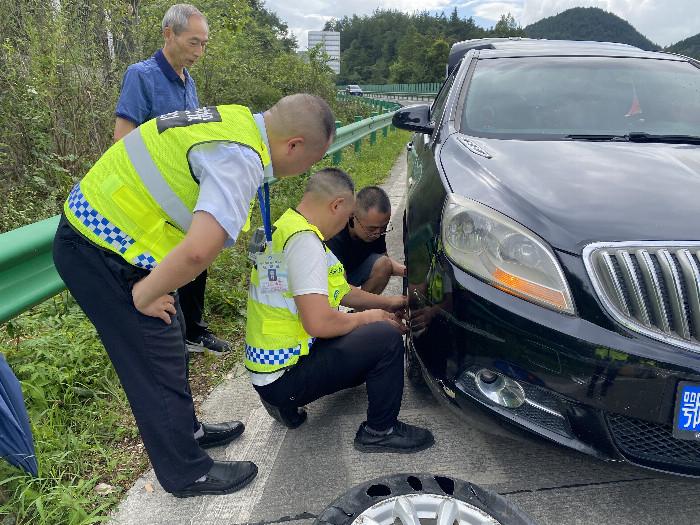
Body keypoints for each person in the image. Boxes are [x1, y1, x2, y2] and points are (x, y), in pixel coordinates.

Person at [53, 94, 336, 496]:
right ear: (294, 145)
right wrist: (145, 294)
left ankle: (189, 431)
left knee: (170, 335)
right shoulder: (239, 158)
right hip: (101, 250)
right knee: (154, 358)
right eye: (310, 161)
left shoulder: (237, 121)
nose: (304, 170)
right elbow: (200, 249)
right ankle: (187, 472)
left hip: (113, 235)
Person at [245, 169, 434, 454]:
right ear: (336, 205)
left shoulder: (288, 227)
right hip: (284, 373)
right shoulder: (305, 244)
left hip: (272, 365)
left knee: (368, 338)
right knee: (384, 337)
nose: (345, 225)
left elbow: (341, 291)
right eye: (347, 217)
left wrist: (390, 303)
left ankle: (283, 400)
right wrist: (372, 318)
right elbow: (319, 323)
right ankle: (380, 431)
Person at [114, 4, 227, 355]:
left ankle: (193, 331)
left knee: (197, 254)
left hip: (184, 187)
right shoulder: (141, 75)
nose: (200, 52)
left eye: (204, 44)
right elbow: (122, 138)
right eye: (194, 43)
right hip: (152, 192)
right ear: (169, 34)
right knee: (162, 264)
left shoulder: (187, 80)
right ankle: (167, 338)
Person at [326, 186, 405, 295]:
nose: (377, 234)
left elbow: (385, 262)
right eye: (371, 229)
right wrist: (388, 303)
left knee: (384, 264)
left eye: (383, 227)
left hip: (352, 271)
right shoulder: (333, 235)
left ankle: (359, 311)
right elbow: (340, 290)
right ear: (352, 216)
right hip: (328, 280)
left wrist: (409, 272)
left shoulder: (377, 226)